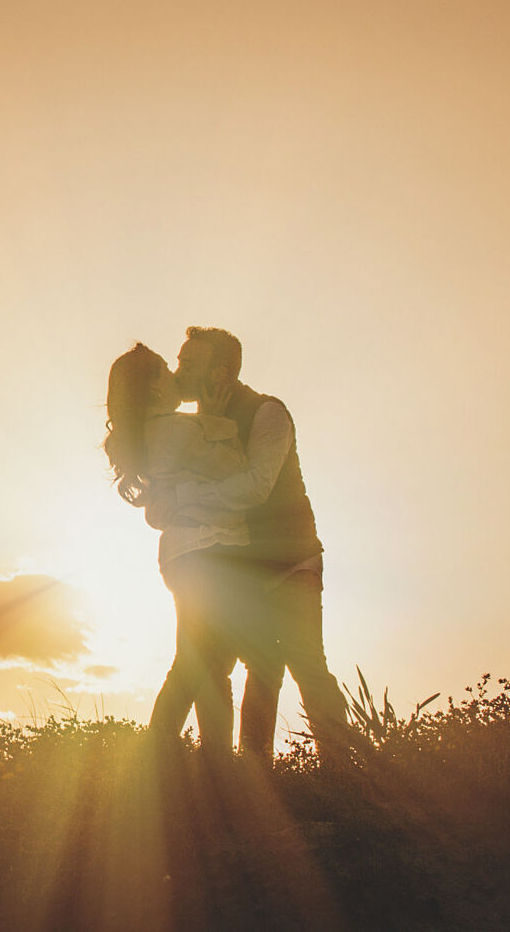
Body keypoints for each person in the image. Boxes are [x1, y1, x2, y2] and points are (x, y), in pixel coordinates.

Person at [162, 326, 352, 764]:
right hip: (237, 566)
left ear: (220, 372)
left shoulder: (268, 413)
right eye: (178, 362)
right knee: (239, 667)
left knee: (306, 664)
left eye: (190, 364)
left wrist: (185, 499)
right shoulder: (189, 428)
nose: (179, 372)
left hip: (290, 559)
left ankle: (341, 776)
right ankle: (250, 772)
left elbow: (257, 487)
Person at [104, 342, 261, 758]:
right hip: (207, 552)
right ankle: (160, 756)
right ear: (154, 391)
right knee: (198, 661)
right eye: (164, 371)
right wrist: (215, 419)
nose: (175, 375)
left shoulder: (153, 432)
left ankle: (212, 763)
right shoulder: (179, 429)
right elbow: (238, 471)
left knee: (209, 663)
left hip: (183, 555)